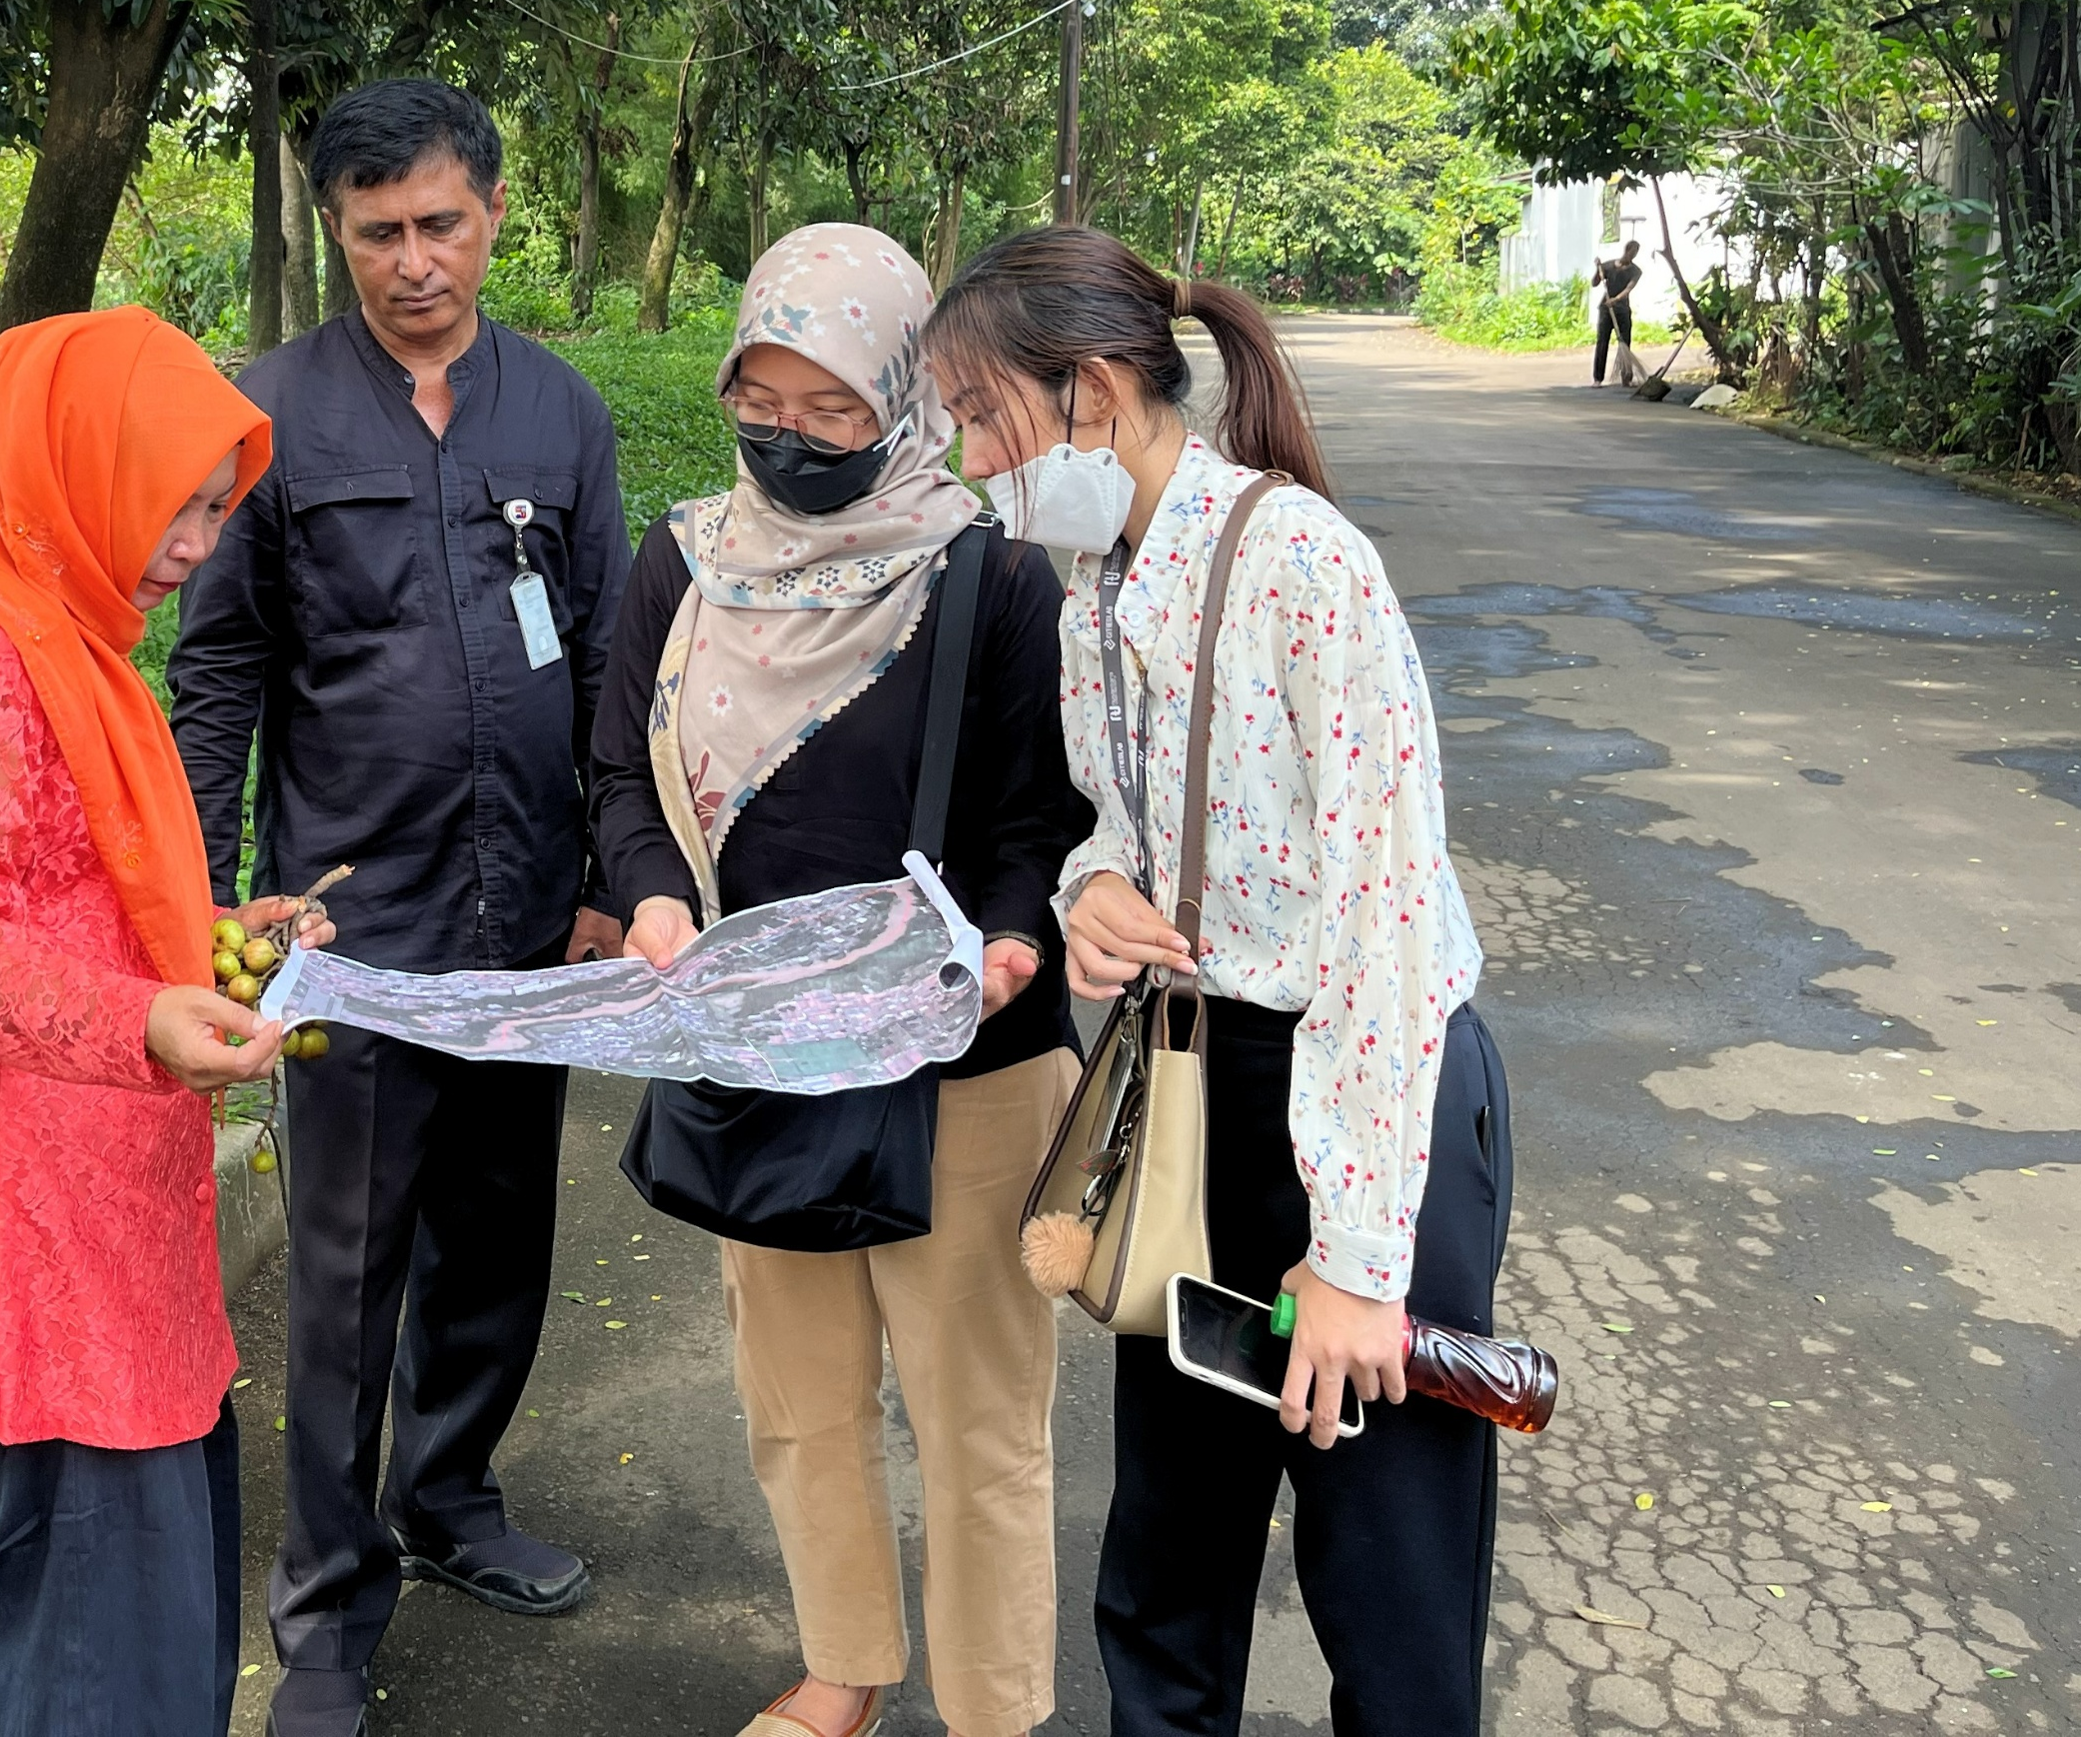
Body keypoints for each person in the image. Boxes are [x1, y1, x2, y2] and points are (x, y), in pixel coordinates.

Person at [924, 226, 1508, 1737]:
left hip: (1369, 1100)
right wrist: (1089, 888)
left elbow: (1385, 913)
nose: (969, 451)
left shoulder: (1305, 562)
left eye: (983, 412)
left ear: (1094, 393)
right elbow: (1107, 818)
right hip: (1195, 1092)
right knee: (1166, 1565)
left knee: (1385, 1580)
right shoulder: (1087, 578)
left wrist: (1364, 1256)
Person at [167, 77, 632, 1737]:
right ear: (335, 232)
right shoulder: (267, 413)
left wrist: (608, 885)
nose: (413, 261)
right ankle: (322, 1620)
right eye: (377, 232)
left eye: (441, 223)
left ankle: (453, 1503)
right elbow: (212, 683)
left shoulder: (561, 417)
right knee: (347, 1281)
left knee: (503, 1240)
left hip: (527, 931)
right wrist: (211, 923)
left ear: (495, 213)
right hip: (352, 942)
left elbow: (607, 671)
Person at [588, 224, 1091, 1737]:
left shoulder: (989, 566)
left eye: (836, 408)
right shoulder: (680, 559)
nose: (792, 436)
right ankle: (842, 1669)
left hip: (968, 1068)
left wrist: (1008, 937)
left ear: (902, 399)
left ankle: (996, 1706)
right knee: (801, 1405)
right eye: (765, 397)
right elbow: (616, 769)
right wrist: (657, 896)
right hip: (762, 1053)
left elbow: (1042, 813)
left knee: (977, 1418)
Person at [0, 308, 330, 1737]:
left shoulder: (68, 633)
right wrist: (144, 1019)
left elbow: (84, 899)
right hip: (37, 1245)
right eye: (169, 501)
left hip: (111, 1221)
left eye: (210, 508)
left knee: (148, 1650)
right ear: (69, 466)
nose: (191, 541)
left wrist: (234, 943)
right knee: (89, 1670)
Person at [1592, 239, 1643, 384]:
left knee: (1625, 342)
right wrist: (1599, 270)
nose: (1632, 256)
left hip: (1622, 310)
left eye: (1635, 254)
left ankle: (1626, 377)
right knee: (1602, 342)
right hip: (1605, 309)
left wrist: (1615, 299)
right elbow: (1594, 283)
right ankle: (1598, 378)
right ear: (1626, 250)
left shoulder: (1636, 271)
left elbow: (1628, 289)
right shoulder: (1608, 266)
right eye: (1631, 252)